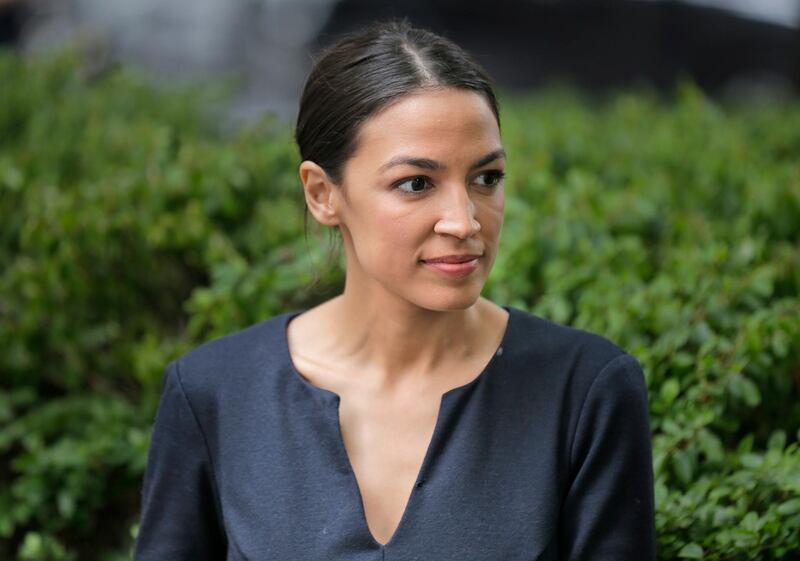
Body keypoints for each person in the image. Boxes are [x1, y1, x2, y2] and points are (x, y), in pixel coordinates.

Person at [133, 18, 656, 561]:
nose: (464, 221)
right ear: (322, 194)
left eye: (486, 178)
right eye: (415, 184)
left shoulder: (585, 389)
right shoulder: (215, 393)